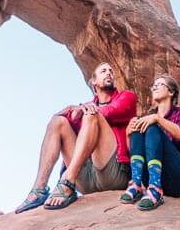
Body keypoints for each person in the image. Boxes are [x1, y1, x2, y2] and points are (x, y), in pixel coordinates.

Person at [14, 62, 136, 212]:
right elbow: (63, 119)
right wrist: (72, 111)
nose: (109, 73)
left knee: (91, 115)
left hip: (113, 174)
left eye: (111, 71)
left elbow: (113, 111)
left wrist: (81, 110)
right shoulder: (86, 108)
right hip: (86, 180)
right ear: (94, 82)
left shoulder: (126, 96)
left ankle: (67, 182)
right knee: (58, 121)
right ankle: (38, 190)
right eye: (103, 71)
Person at [121, 74, 180, 211]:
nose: (154, 87)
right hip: (152, 177)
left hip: (179, 179)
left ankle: (155, 188)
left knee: (151, 126)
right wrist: (128, 133)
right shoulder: (147, 118)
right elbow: (133, 152)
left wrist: (158, 119)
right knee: (138, 124)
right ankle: (136, 185)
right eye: (153, 85)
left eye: (160, 84)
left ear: (171, 92)